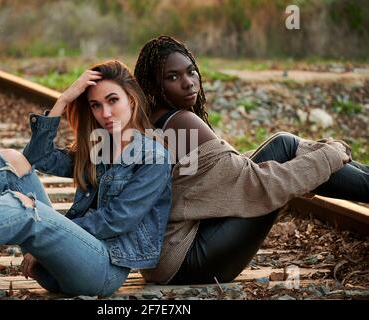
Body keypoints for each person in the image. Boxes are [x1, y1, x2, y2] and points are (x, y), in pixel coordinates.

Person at [0, 60, 172, 297]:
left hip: (103, 270)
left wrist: (53, 228)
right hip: (61, 264)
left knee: (26, 208)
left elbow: (117, 220)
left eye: (112, 100)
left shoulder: (153, 157)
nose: (105, 112)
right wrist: (63, 100)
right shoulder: (100, 148)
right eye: (96, 105)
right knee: (10, 162)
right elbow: (37, 157)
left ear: (130, 98)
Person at [134, 35, 369, 285]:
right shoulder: (181, 122)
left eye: (191, 72)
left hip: (164, 261)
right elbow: (255, 183)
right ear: (152, 85)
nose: (189, 83)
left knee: (285, 146)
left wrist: (319, 158)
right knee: (286, 148)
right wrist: (328, 157)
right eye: (172, 77)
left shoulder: (152, 120)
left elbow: (222, 179)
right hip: (187, 261)